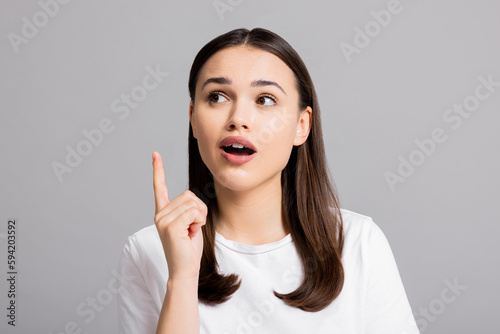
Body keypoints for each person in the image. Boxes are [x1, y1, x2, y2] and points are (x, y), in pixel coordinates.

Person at [117, 27, 420, 334]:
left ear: (302, 126)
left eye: (265, 99)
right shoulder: (149, 251)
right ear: (194, 118)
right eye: (217, 96)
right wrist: (181, 279)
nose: (238, 118)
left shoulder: (358, 243)